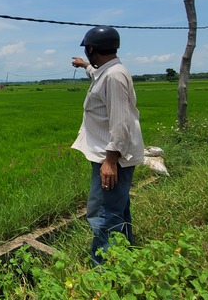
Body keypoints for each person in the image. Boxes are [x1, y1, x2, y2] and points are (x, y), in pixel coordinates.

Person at [70, 26, 144, 266]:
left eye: (87, 51)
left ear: (92, 48)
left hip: (111, 158)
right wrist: (85, 66)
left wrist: (110, 162)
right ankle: (125, 259)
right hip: (111, 156)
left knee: (103, 215)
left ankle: (101, 272)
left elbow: (121, 121)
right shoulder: (109, 71)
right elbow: (97, 74)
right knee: (118, 210)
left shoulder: (113, 77)